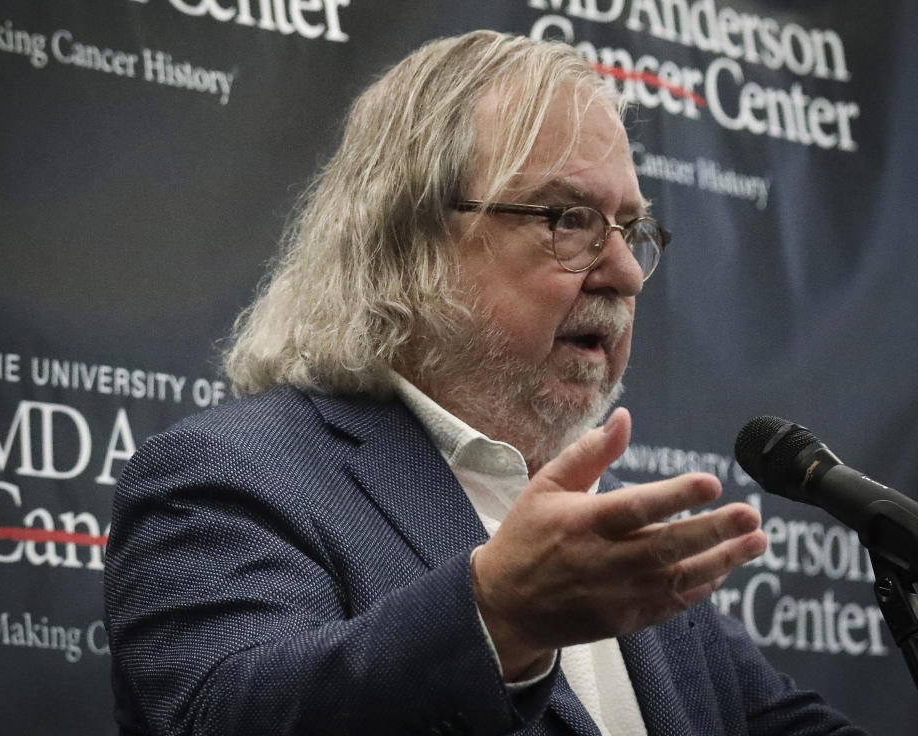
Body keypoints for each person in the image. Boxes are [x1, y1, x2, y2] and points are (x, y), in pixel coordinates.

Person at [104, 30, 866, 736]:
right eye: (569, 219)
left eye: (631, 228)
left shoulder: (617, 544)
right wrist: (495, 620)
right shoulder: (230, 474)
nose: (628, 271)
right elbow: (219, 714)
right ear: (408, 244)